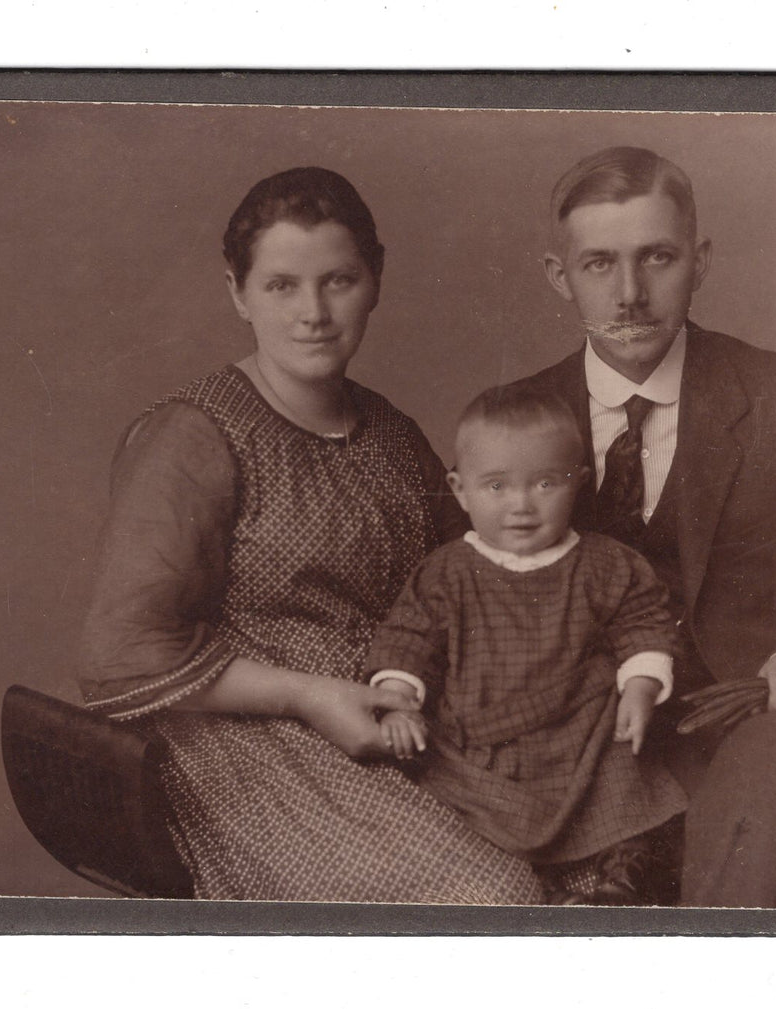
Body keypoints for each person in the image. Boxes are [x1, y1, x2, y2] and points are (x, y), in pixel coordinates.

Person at [77, 166, 542, 904]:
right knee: (488, 896)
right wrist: (304, 695)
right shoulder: (194, 435)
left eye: (338, 280)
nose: (313, 313)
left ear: (376, 278)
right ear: (237, 292)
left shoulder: (392, 431)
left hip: (394, 721)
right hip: (241, 744)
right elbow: (119, 656)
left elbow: (464, 581)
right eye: (281, 286)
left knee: (592, 853)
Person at [512, 146, 776, 907]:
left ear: (699, 261)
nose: (629, 293)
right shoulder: (515, 417)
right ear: (556, 275)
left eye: (657, 257)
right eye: (599, 264)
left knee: (775, 789)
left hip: (752, 721)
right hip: (581, 745)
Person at [364, 386, 687, 904]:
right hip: (486, 740)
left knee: (629, 771)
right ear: (460, 489)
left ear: (579, 484)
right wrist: (398, 701)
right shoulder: (447, 572)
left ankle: (622, 876)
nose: (520, 505)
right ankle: (531, 894)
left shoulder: (604, 563)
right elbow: (409, 638)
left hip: (580, 728)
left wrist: (642, 684)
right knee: (448, 799)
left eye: (544, 483)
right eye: (496, 486)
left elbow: (643, 621)